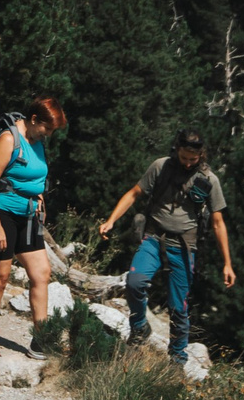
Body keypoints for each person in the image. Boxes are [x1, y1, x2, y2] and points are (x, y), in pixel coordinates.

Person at [97, 128, 234, 363]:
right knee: (135, 282)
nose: (189, 164)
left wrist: (227, 264)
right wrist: (111, 220)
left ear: (202, 155)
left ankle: (177, 359)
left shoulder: (209, 180)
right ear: (176, 151)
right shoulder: (161, 167)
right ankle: (139, 327)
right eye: (184, 158)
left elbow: (218, 223)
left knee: (178, 306)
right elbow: (134, 193)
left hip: (183, 245)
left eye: (194, 159)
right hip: (153, 236)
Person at [0, 98, 67, 357]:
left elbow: (34, 176)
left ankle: (41, 339)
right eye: (47, 128)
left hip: (27, 214)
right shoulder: (8, 139)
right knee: (0, 277)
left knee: (41, 273)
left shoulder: (37, 142)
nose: (49, 134)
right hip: (1, 212)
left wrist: (38, 196)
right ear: (34, 120)